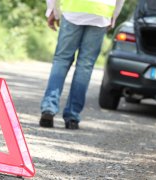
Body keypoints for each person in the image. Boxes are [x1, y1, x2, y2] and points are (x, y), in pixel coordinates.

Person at [40, 0, 125, 129]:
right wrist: (114, 15)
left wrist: (52, 10)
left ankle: (48, 109)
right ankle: (72, 117)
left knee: (61, 60)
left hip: (73, 9)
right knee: (85, 65)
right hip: (100, 12)